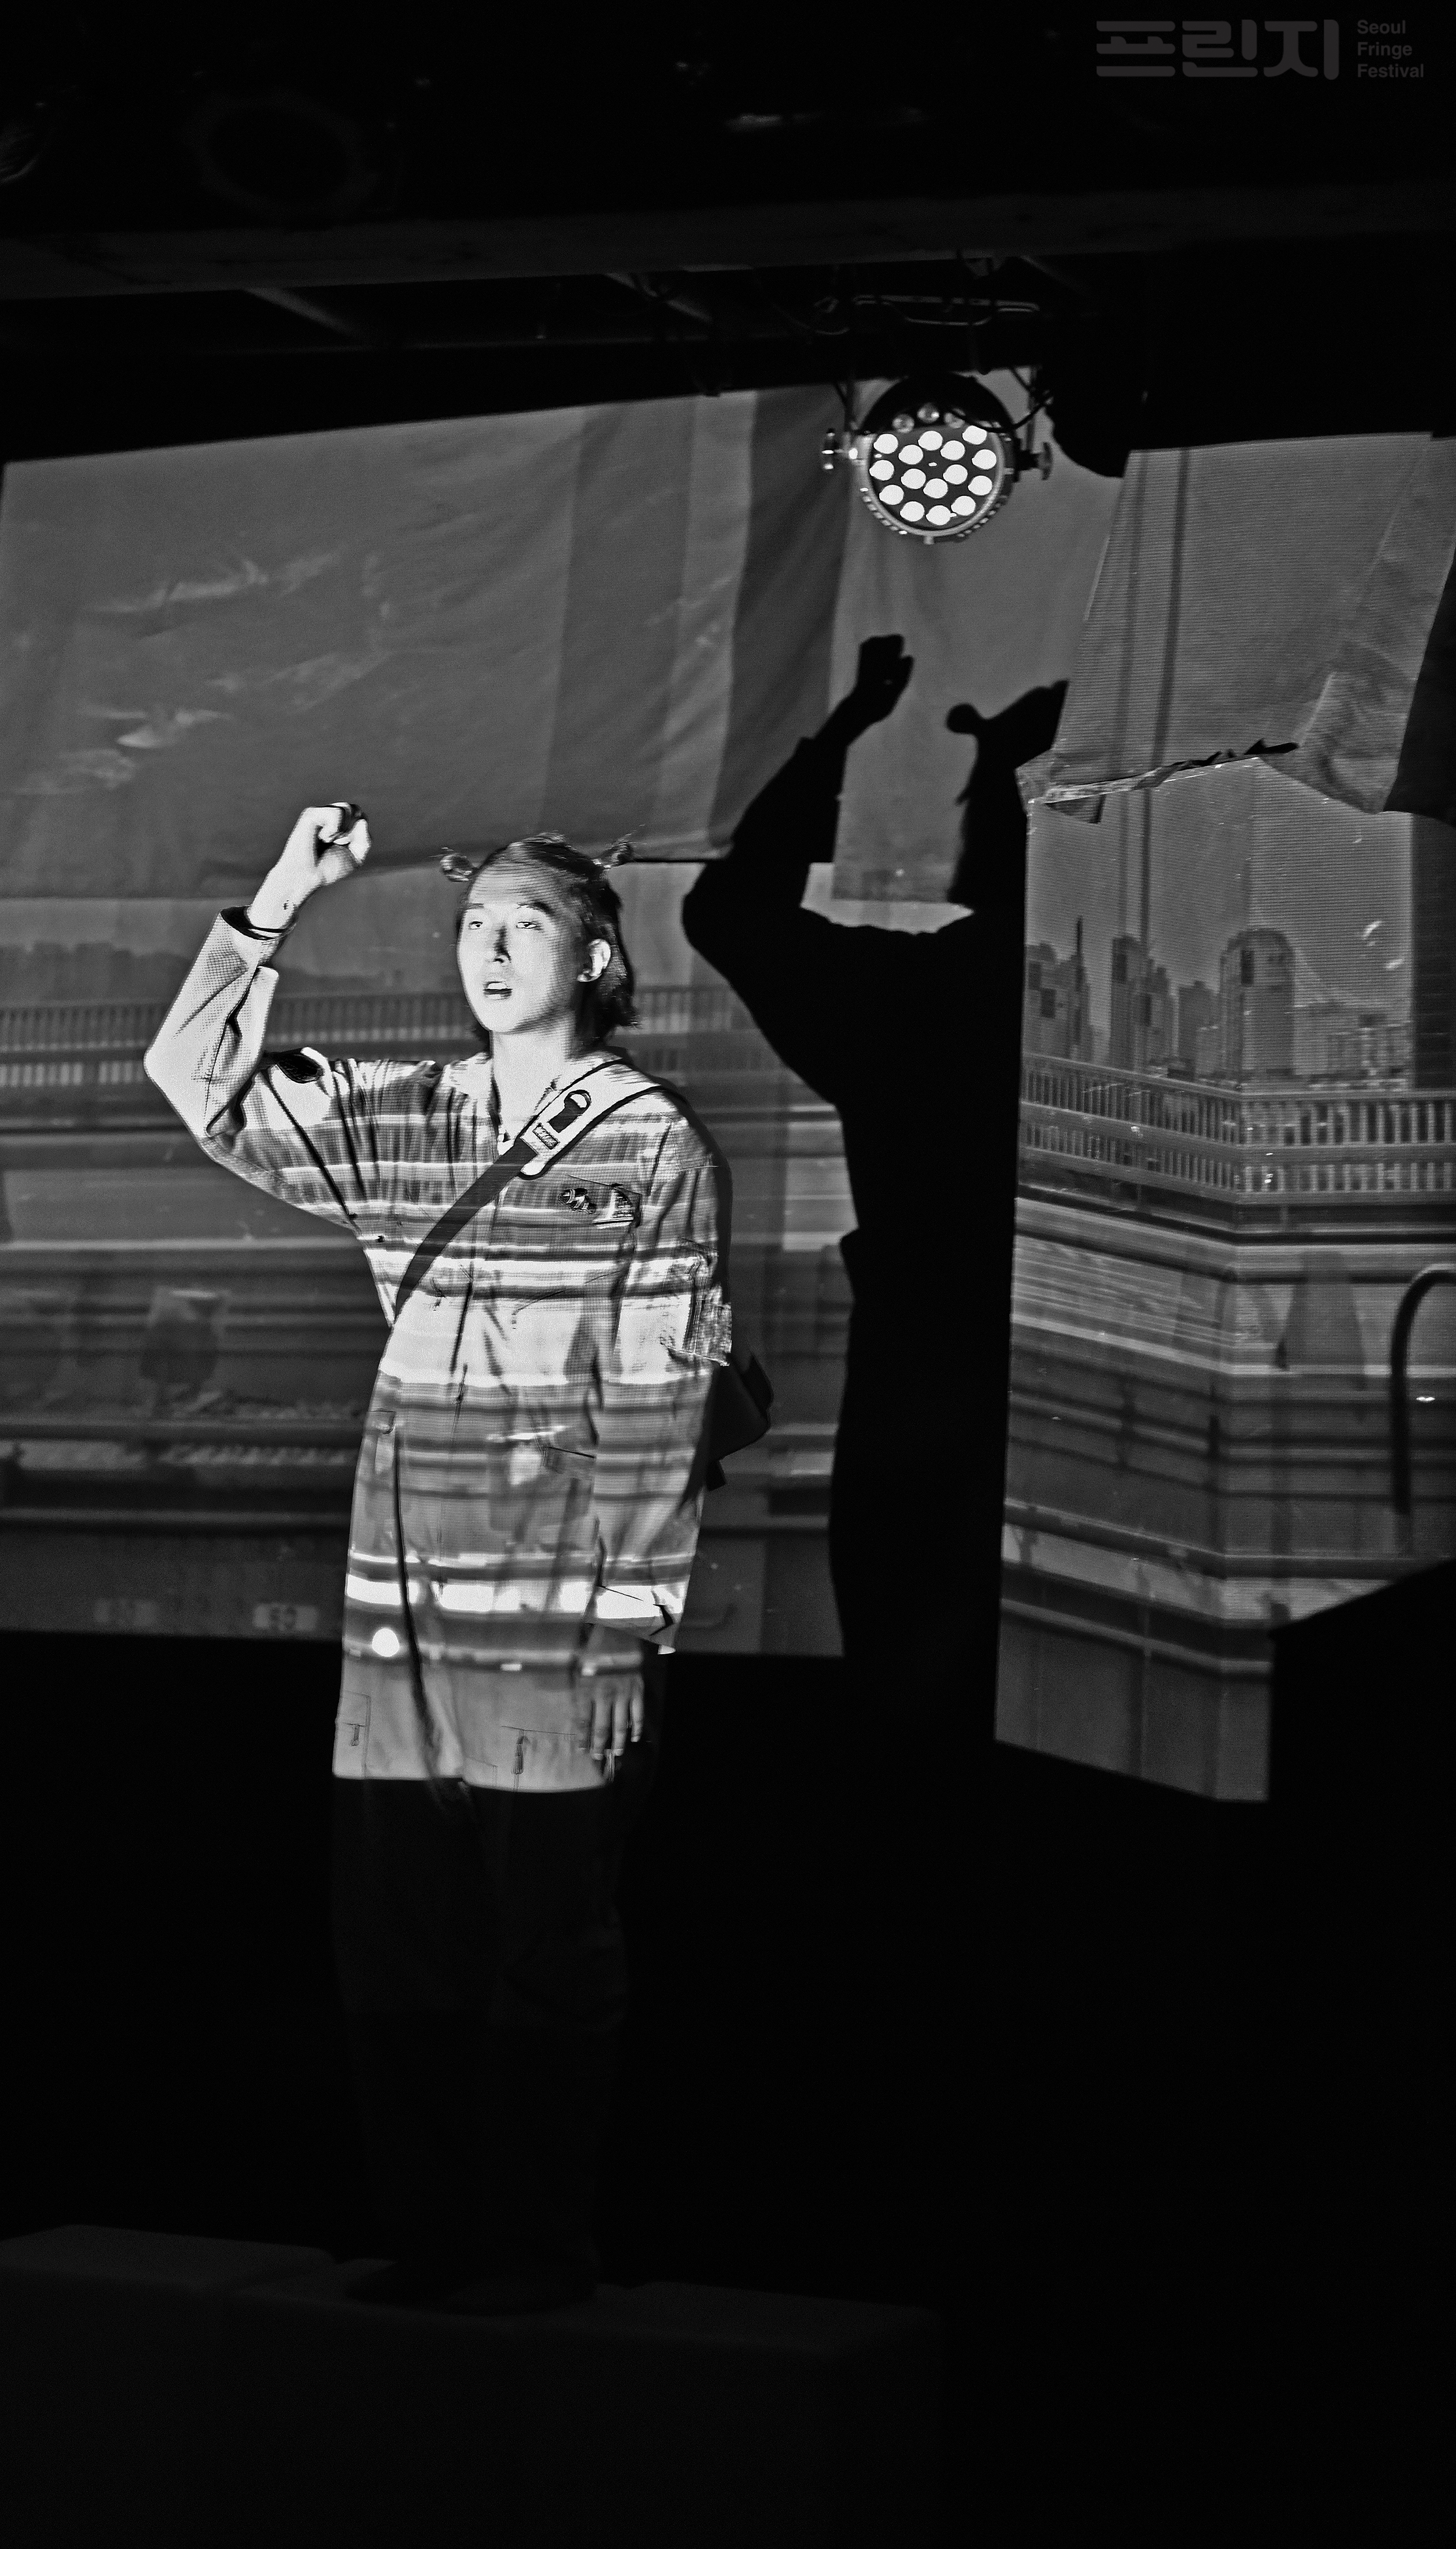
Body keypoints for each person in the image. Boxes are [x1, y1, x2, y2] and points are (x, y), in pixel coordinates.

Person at [145, 804, 732, 2315]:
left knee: (547, 1931)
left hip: (554, 1603)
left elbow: (661, 1395)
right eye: (473, 926)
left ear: (593, 959)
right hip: (396, 1587)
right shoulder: (411, 1114)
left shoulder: (650, 1139)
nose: (489, 948)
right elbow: (196, 1082)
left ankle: (536, 2248)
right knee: (394, 1931)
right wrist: (279, 898)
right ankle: (425, 2233)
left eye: (525, 924)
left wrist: (630, 1624)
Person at [683, 636, 1067, 1782]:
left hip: (920, 1397)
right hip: (1090, 1407)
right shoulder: (1111, 1014)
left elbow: (730, 910)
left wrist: (845, 736)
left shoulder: (919, 1004)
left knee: (911, 1707)